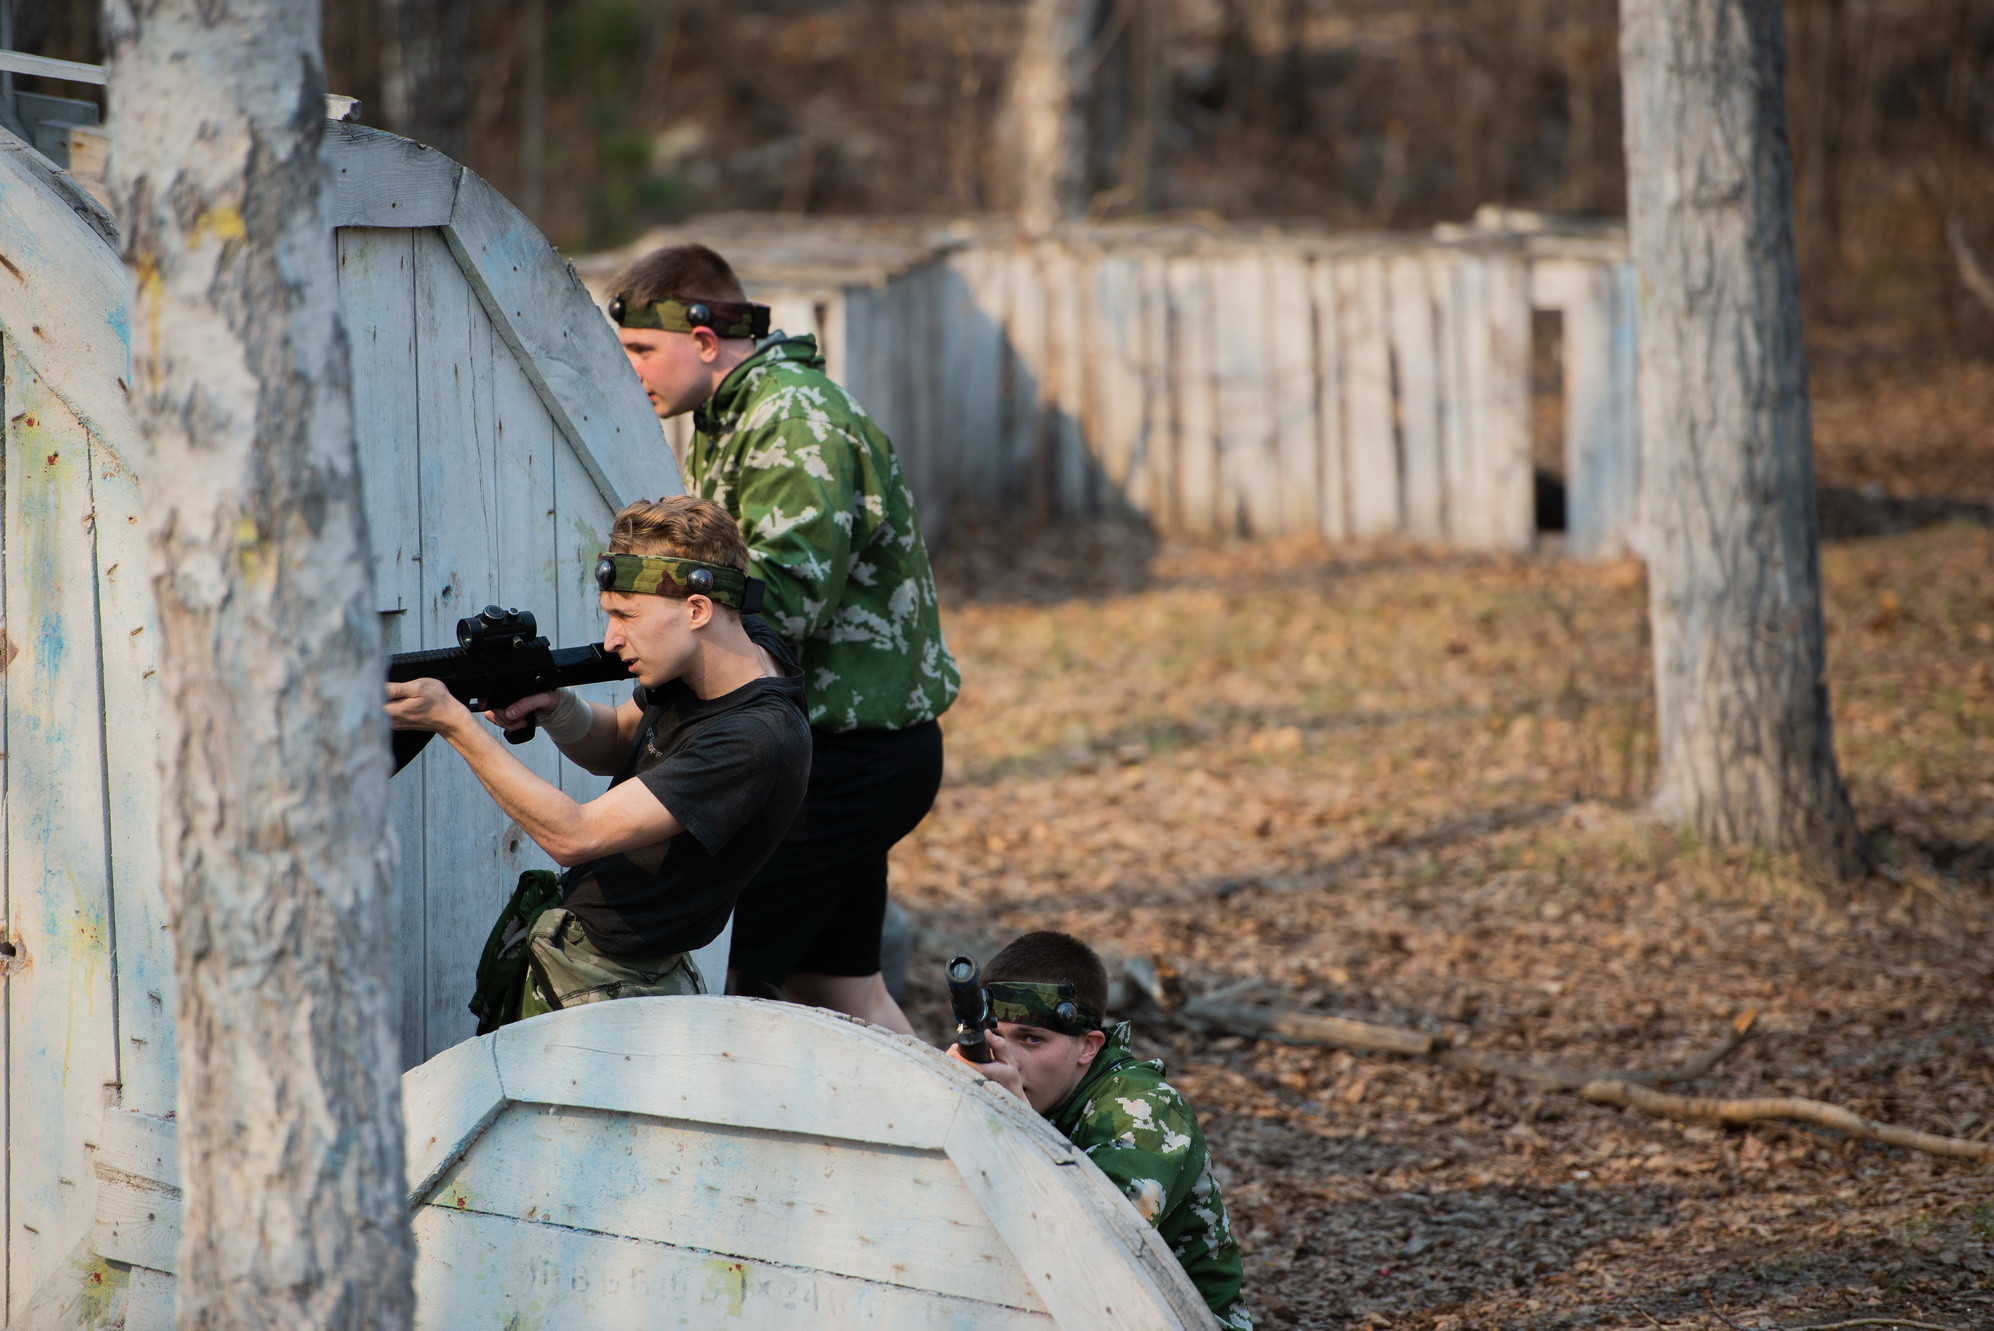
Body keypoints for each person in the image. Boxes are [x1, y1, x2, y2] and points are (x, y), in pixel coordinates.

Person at [608, 241, 959, 1036]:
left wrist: (656, 631)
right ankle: (983, 1140)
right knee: (844, 993)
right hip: (836, 746)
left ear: (703, 340)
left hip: (849, 759)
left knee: (722, 971)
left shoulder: (792, 417)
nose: (630, 370)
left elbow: (784, 602)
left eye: (640, 349)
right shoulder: (729, 417)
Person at [385, 495, 811, 1022]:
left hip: (615, 986)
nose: (611, 639)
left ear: (698, 610)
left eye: (627, 616)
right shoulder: (727, 653)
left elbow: (575, 835)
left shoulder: (753, 738)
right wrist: (556, 705)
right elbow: (617, 741)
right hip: (589, 957)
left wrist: (452, 722)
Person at [948, 931, 1252, 1330]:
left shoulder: (1146, 1110)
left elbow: (1093, 1246)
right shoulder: (1039, 1091)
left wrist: (1019, 1123)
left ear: (1088, 1046)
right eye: (997, 1039)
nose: (1011, 1060)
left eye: (1032, 1040)